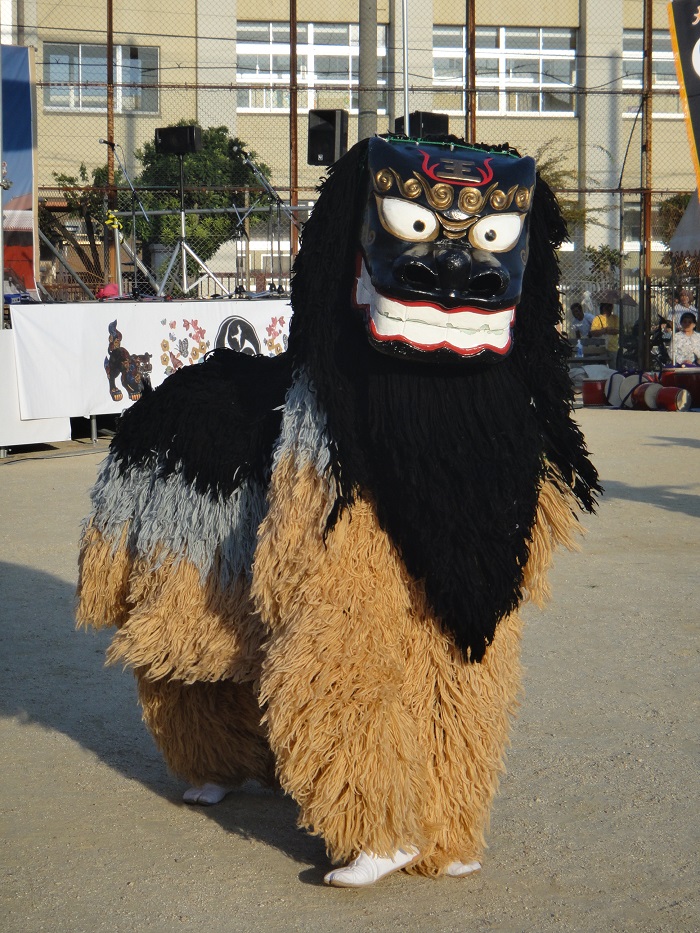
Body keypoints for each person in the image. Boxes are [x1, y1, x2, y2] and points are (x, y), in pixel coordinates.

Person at [77, 136, 599, 888]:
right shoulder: (316, 451)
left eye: (488, 241)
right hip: (333, 445)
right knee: (329, 634)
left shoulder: (513, 428)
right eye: (414, 229)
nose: (454, 270)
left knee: (467, 649)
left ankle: (445, 824)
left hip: (469, 448)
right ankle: (355, 813)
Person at [590, 302, 620, 367]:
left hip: (613, 347)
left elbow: (617, 331)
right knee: (601, 366)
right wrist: (605, 330)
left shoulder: (615, 318)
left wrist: (604, 330)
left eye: (611, 306)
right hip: (601, 347)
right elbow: (593, 332)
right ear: (603, 307)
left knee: (612, 366)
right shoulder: (597, 318)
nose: (610, 308)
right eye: (607, 306)